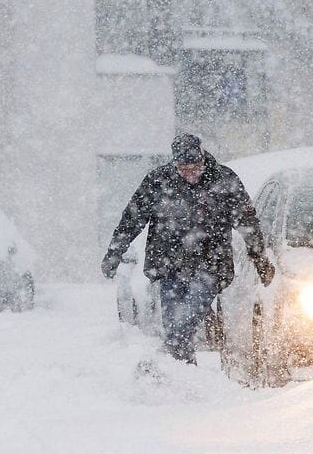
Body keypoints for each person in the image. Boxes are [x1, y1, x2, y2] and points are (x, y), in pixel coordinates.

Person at [101, 133, 275, 364]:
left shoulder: (223, 180)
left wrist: (259, 258)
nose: (190, 174)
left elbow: (247, 223)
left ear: (203, 159)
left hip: (210, 266)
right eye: (183, 169)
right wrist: (115, 252)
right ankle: (184, 373)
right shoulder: (158, 181)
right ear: (175, 164)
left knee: (186, 317)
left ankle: (176, 368)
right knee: (174, 324)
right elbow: (132, 219)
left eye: (194, 168)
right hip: (169, 266)